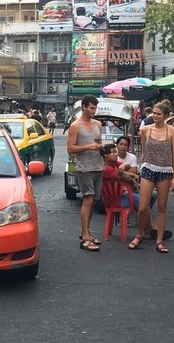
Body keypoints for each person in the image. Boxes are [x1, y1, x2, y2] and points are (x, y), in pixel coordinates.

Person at [128, 100, 174, 253]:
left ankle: (159, 240)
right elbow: (143, 151)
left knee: (162, 207)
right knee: (143, 207)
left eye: (158, 114)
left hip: (165, 170)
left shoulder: (172, 131)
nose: (155, 116)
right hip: (148, 168)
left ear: (165, 116)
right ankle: (139, 234)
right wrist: (142, 167)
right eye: (154, 113)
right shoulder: (145, 130)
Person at [67, 95, 105, 252]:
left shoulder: (98, 124)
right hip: (84, 168)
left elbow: (98, 143)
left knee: (94, 201)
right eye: (91, 108)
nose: (93, 111)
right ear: (83, 107)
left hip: (98, 166)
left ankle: (86, 232)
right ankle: (85, 236)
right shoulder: (75, 126)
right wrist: (88, 146)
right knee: (87, 200)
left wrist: (103, 148)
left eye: (95, 108)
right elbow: (70, 148)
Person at [101, 144, 143, 213]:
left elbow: (128, 166)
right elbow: (124, 177)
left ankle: (140, 218)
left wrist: (122, 166)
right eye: (113, 152)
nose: (116, 154)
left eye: (116, 152)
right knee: (144, 201)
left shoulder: (114, 163)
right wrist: (134, 183)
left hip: (122, 195)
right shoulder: (106, 168)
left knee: (151, 197)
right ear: (106, 155)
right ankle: (143, 221)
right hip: (116, 199)